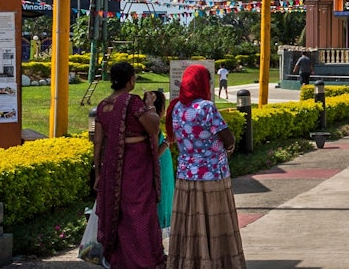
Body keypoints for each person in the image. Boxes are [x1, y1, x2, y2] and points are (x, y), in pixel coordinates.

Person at [166, 64, 246, 269]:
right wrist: (230, 147)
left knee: (190, 224)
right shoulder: (205, 107)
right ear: (201, 83)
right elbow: (227, 136)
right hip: (212, 176)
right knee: (214, 224)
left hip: (186, 176)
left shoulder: (176, 107)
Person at [92, 61, 164, 269]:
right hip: (136, 165)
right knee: (139, 211)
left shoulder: (103, 105)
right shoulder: (132, 103)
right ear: (130, 80)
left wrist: (98, 172)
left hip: (112, 167)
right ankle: (143, 260)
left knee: (119, 213)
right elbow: (153, 127)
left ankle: (120, 259)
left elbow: (98, 142)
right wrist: (150, 103)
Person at [143, 89, 175, 232]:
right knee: (161, 202)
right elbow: (155, 152)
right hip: (160, 170)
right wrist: (168, 142)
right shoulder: (153, 125)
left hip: (163, 169)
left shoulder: (147, 122)